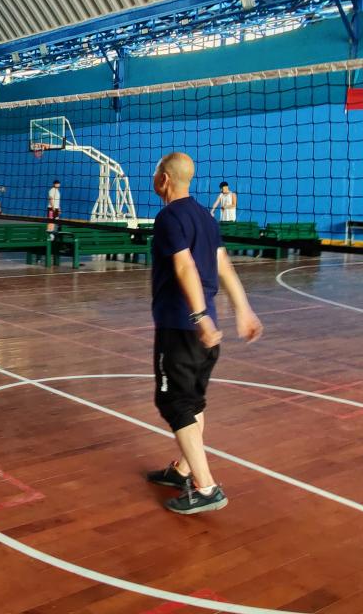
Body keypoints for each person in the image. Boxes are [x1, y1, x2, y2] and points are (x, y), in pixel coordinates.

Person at [145, 153, 262, 515]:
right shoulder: (206, 218)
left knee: (174, 403)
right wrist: (243, 309)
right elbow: (224, 265)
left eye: (155, 173)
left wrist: (199, 317)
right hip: (203, 332)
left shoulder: (169, 217)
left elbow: (185, 266)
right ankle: (182, 469)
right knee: (192, 402)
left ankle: (206, 487)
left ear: (164, 179)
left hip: (182, 327)